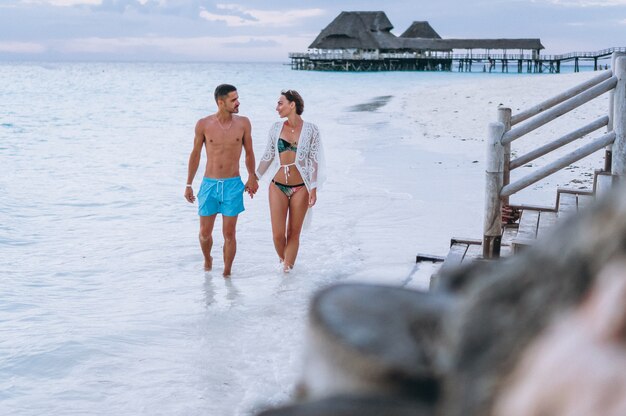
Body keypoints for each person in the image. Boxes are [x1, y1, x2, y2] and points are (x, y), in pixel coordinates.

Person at [184, 84, 258, 277]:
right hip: (209, 185)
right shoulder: (203, 124)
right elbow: (195, 155)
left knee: (229, 234)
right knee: (204, 233)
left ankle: (227, 274)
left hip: (233, 185)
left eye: (237, 98)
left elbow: (249, 153)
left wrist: (252, 176)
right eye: (233, 100)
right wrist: (188, 184)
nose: (238, 102)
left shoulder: (243, 123)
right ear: (221, 102)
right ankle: (208, 260)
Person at [256, 90, 325, 272]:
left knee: (293, 233)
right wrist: (254, 178)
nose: (277, 107)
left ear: (292, 104)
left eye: (280, 103)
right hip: (277, 186)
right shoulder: (275, 128)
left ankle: (287, 276)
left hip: (301, 187)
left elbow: (314, 160)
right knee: (278, 236)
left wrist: (314, 188)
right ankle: (285, 264)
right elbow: (268, 156)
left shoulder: (311, 129)